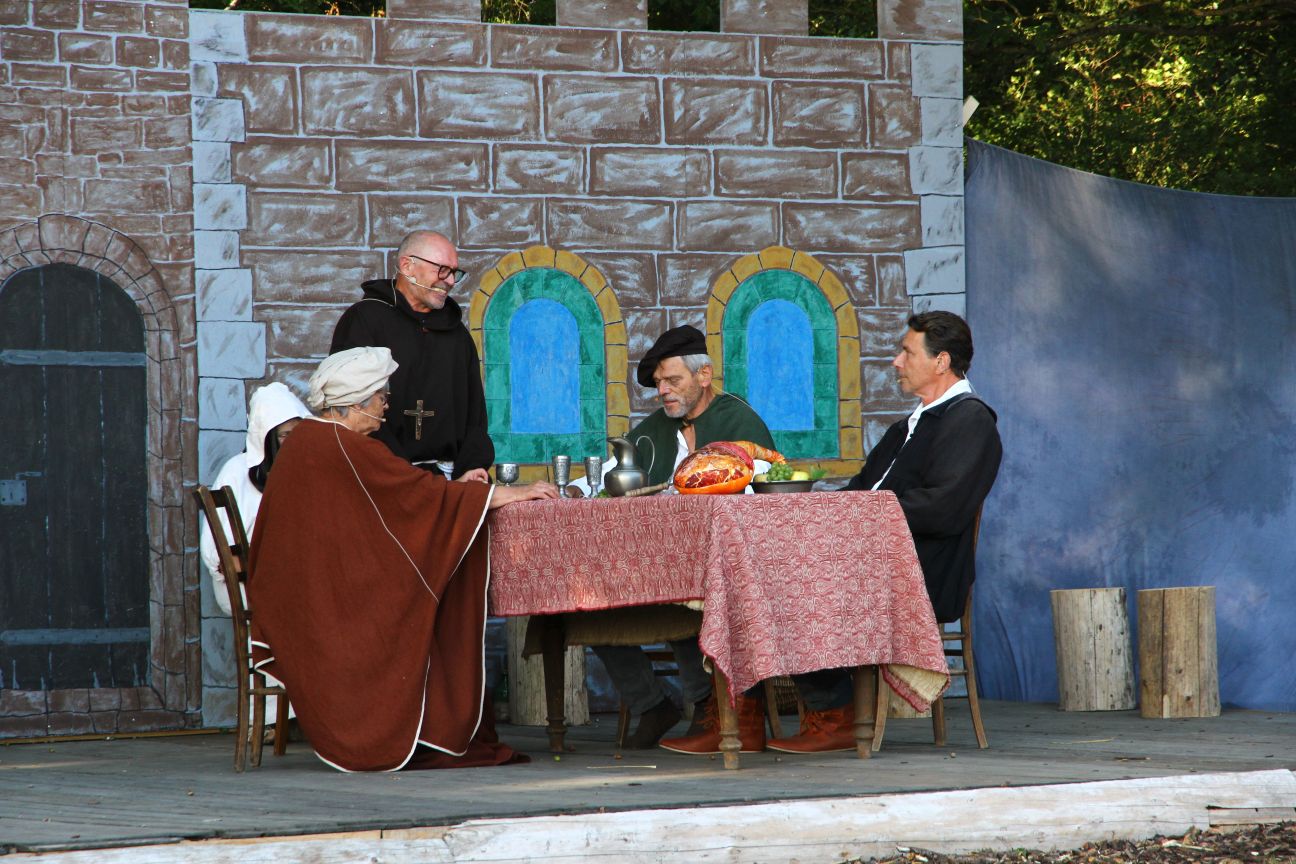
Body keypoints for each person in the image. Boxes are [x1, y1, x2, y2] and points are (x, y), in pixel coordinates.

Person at [246, 347, 559, 772]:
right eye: (381, 398)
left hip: (305, 597)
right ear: (355, 403)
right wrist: (506, 494)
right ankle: (418, 729)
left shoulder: (307, 441)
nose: (386, 406)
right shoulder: (343, 446)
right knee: (430, 599)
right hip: (330, 606)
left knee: (424, 584)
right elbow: (416, 496)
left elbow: (393, 505)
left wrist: (466, 494)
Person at [766, 311, 1003, 754]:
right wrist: (807, 513)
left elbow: (942, 509)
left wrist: (857, 516)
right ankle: (772, 715)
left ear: (941, 361)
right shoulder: (907, 427)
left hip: (921, 573)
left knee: (790, 587)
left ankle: (837, 714)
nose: (896, 361)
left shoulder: (970, 421)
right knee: (767, 574)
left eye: (907, 352)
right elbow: (860, 491)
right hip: (873, 564)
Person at [590, 324, 778, 753]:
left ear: (704, 375)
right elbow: (605, 482)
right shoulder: (652, 429)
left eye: (672, 380)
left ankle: (709, 706)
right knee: (586, 600)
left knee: (687, 594)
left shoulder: (739, 421)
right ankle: (651, 703)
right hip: (652, 562)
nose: (662, 391)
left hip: (725, 567)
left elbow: (762, 498)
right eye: (659, 382)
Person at [329, 230, 492, 482]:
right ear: (407, 266)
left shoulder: (456, 334)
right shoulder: (365, 321)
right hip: (382, 477)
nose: (450, 281)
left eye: (454, 272)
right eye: (442, 270)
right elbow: (351, 408)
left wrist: (472, 466)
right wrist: (403, 475)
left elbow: (475, 414)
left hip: (451, 480)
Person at [199, 382, 309, 616]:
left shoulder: (303, 471)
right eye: (286, 435)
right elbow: (221, 555)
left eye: (299, 434)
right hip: (249, 584)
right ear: (267, 438)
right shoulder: (236, 471)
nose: (295, 442)